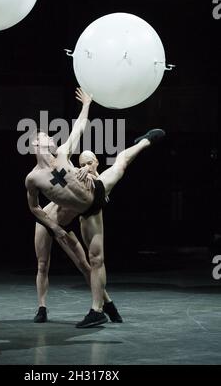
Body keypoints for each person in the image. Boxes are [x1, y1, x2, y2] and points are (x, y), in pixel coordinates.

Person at [26, 88, 165, 327]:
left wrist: (87, 105)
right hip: (84, 212)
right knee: (93, 260)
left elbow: (79, 127)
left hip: (96, 193)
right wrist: (53, 227)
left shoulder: (62, 154)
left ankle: (144, 141)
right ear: (35, 143)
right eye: (46, 136)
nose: (51, 138)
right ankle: (98, 309)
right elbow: (34, 207)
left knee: (121, 163)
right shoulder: (33, 178)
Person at [33, 150, 122, 326]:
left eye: (89, 164)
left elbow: (100, 189)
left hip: (65, 226)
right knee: (42, 265)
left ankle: (109, 304)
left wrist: (92, 174)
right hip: (47, 221)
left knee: (84, 265)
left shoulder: (94, 183)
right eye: (83, 164)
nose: (85, 167)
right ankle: (41, 308)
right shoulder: (66, 172)